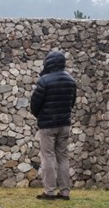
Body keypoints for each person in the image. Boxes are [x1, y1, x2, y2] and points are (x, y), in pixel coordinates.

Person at [30, 50, 77, 200]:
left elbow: (35, 104)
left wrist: (41, 116)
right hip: (64, 124)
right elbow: (72, 103)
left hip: (47, 125)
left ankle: (49, 191)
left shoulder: (44, 81)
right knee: (63, 157)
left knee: (48, 157)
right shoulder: (71, 80)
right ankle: (65, 192)